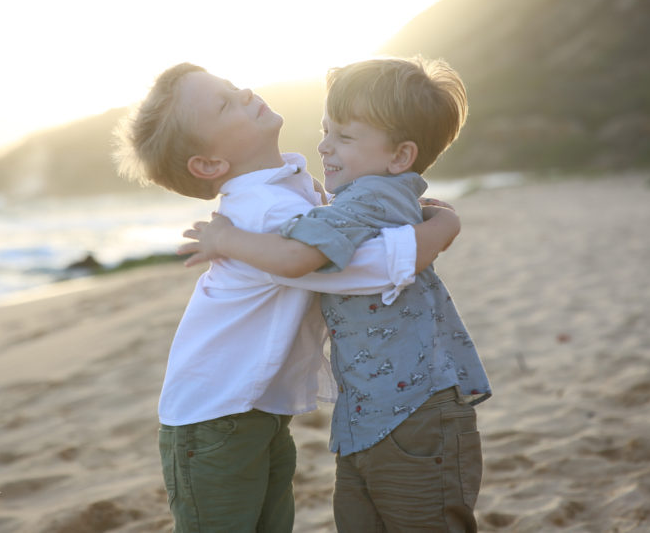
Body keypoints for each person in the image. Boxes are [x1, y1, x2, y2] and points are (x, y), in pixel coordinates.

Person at [111, 62, 462, 533]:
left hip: (250, 409)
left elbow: (350, 223)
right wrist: (443, 227)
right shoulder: (262, 211)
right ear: (210, 164)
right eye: (225, 104)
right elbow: (363, 268)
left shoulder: (290, 187)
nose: (245, 93)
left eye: (233, 87)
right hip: (214, 415)